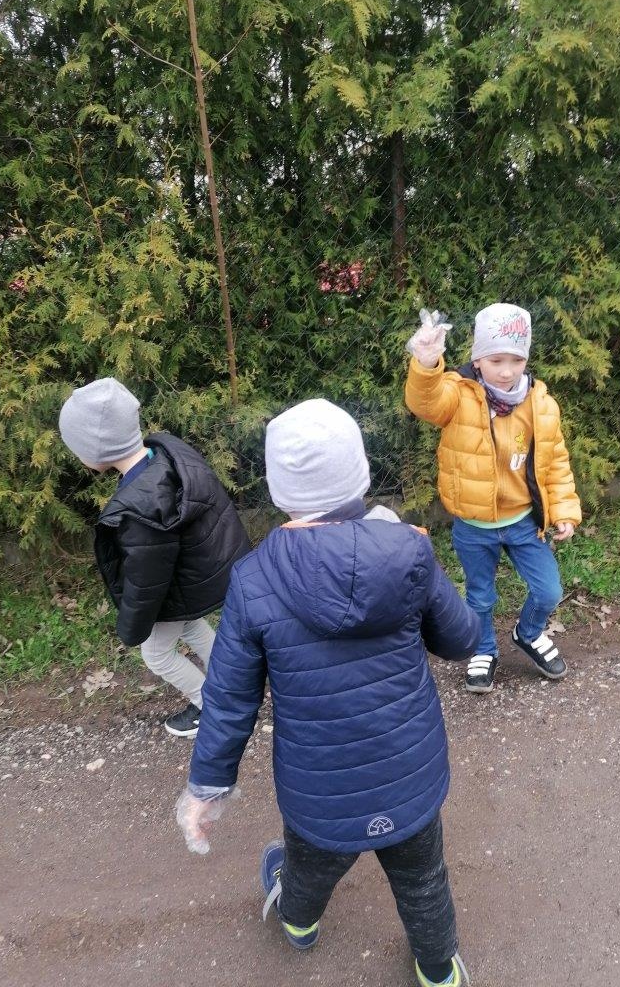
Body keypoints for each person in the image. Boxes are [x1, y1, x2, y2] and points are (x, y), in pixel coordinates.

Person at [175, 399, 480, 987]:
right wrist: (413, 560)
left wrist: (207, 788)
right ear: (360, 475)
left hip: (319, 791)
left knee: (308, 870)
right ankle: (439, 970)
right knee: (423, 880)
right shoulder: (409, 551)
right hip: (409, 776)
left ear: (279, 491)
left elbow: (230, 699)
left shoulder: (254, 580)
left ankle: (298, 923)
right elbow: (462, 639)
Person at [405, 304, 582, 694]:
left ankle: (528, 633)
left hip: (523, 522)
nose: (506, 371)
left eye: (516, 360)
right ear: (477, 360)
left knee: (549, 590)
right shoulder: (458, 395)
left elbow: (555, 462)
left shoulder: (541, 405)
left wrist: (564, 509)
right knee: (480, 596)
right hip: (473, 526)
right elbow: (424, 402)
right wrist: (427, 363)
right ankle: (483, 648)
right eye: (496, 360)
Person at [58, 377, 250, 736]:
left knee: (157, 655)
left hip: (178, 585)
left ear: (98, 450)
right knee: (190, 626)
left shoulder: (140, 509)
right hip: (194, 577)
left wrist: (132, 627)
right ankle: (236, 681)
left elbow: (146, 580)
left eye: (78, 447)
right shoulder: (162, 457)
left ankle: (211, 706)